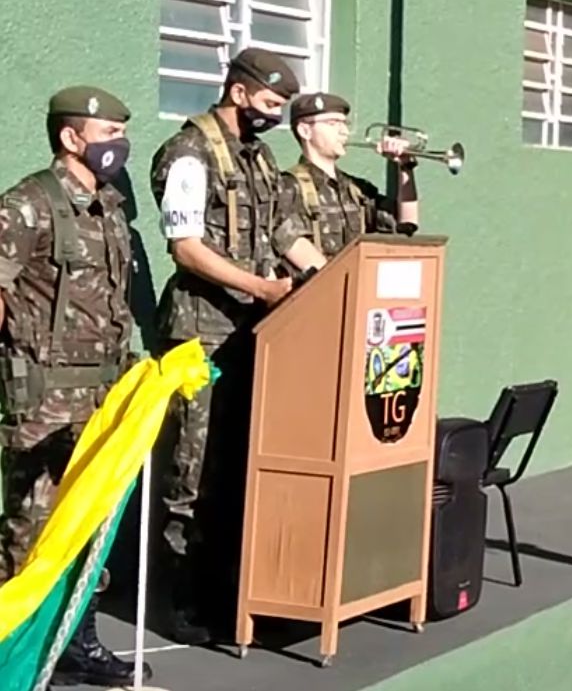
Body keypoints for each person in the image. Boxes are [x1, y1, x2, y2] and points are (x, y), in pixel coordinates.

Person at [149, 47, 322, 644]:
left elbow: (285, 232)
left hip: (256, 333)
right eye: (269, 103)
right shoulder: (188, 152)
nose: (274, 115)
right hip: (201, 334)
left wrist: (330, 279)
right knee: (192, 470)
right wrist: (260, 287)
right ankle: (180, 600)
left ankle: (229, 591)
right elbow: (186, 247)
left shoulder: (260, 158)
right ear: (239, 92)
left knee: (240, 464)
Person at [0, 87, 151, 687]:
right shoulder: (28, 204)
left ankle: (75, 646)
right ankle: (12, 657)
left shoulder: (108, 206)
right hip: (44, 402)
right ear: (71, 137)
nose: (120, 144)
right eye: (109, 132)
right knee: (31, 534)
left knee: (91, 531)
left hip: (102, 399)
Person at [277, 92, 420, 265]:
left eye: (345, 123)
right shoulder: (287, 187)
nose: (344, 131)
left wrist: (405, 167)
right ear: (305, 131)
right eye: (332, 123)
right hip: (320, 282)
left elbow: (406, 225)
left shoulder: (357, 189)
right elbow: (288, 241)